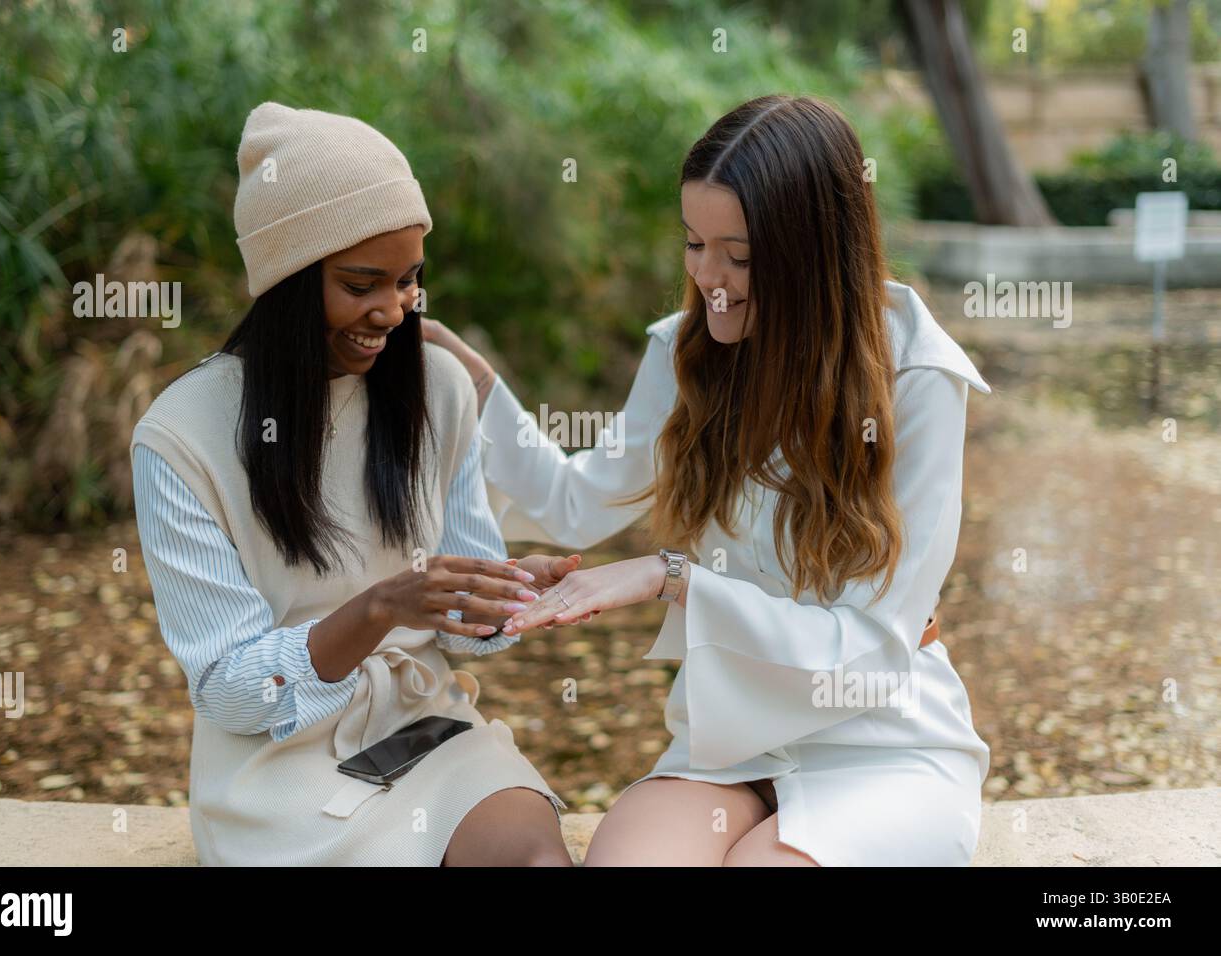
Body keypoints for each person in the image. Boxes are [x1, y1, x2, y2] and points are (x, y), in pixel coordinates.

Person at [425, 94, 992, 866]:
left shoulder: (917, 377)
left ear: (817, 251)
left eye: (741, 255)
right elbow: (572, 503)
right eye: (695, 244)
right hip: (729, 736)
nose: (710, 278)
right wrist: (481, 387)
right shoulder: (683, 352)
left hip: (880, 738)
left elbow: (871, 648)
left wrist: (673, 577)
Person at [130, 102, 576, 866]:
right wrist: (378, 609)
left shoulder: (437, 390)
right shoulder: (180, 437)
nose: (393, 311)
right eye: (362, 283)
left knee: (533, 857)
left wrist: (502, 596)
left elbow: (464, 636)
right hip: (277, 768)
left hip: (428, 734)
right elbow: (233, 690)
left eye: (408, 282)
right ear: (288, 280)